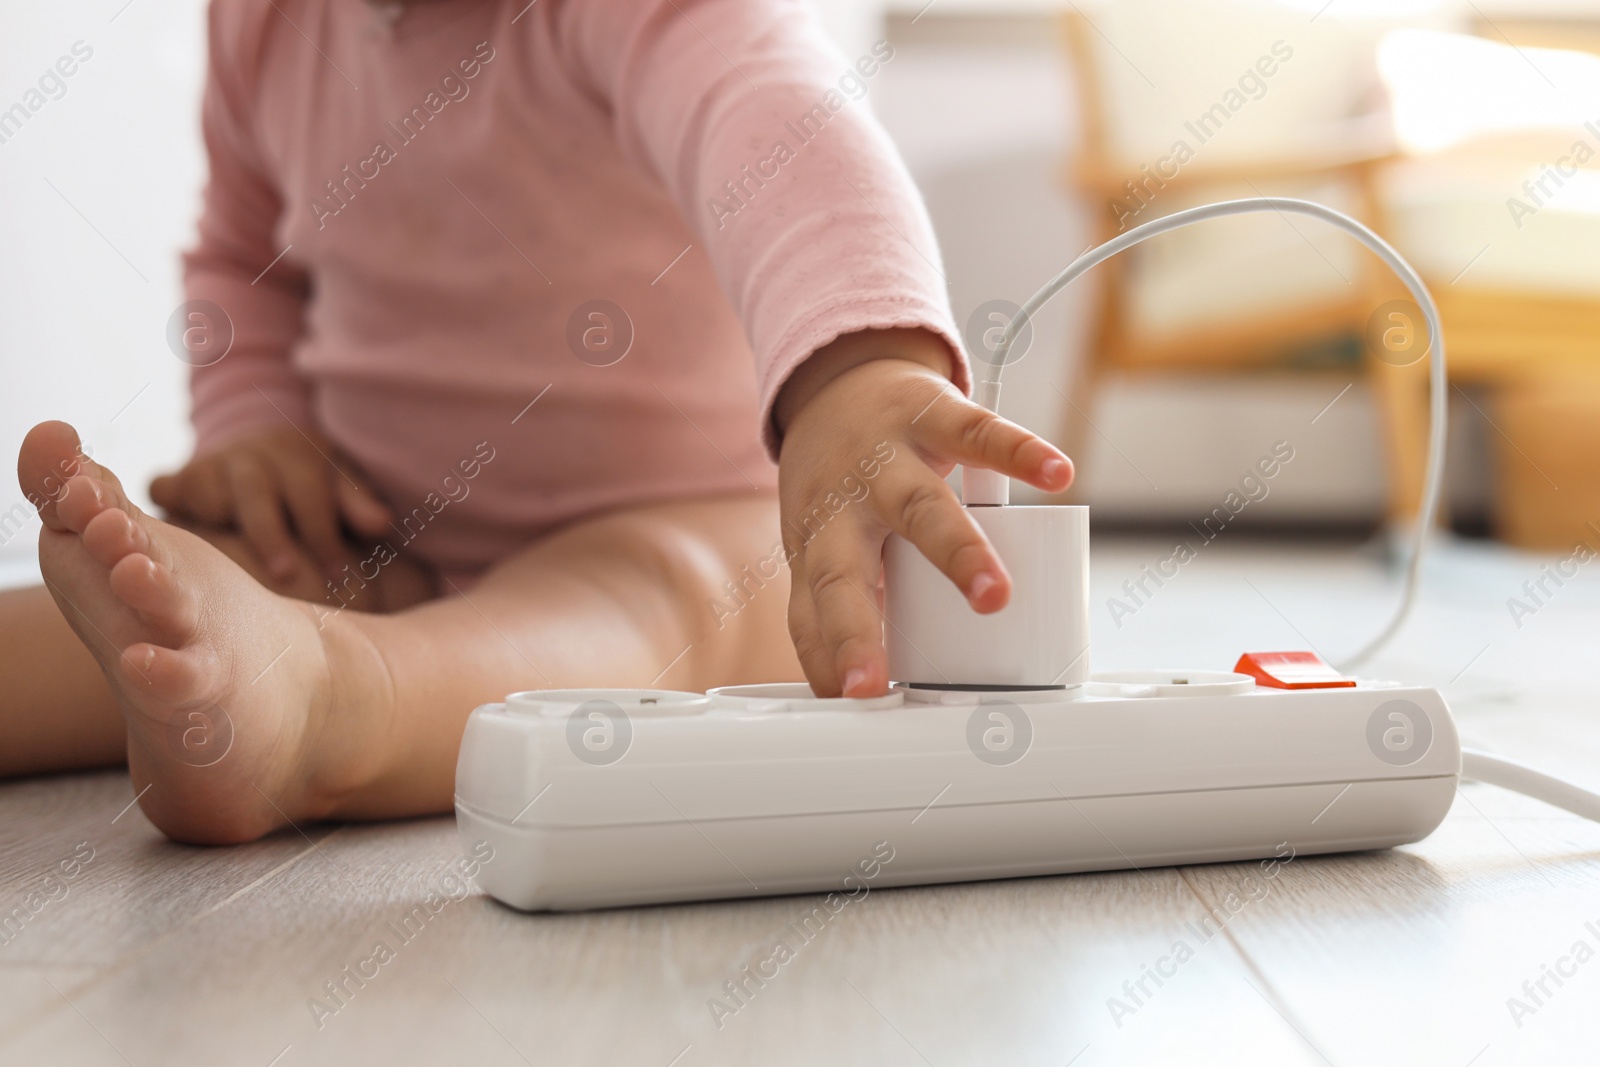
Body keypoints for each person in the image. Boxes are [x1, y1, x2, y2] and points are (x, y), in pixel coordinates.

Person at [3, 0, 1072, 843]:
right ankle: (249, 661)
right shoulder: (266, 20)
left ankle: (329, 706)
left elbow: (779, 130)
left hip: (675, 522)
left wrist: (855, 369)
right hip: (372, 522)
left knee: (658, 596)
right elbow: (242, 260)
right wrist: (254, 424)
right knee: (186, 589)